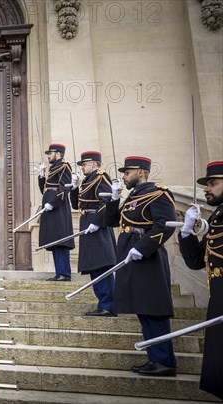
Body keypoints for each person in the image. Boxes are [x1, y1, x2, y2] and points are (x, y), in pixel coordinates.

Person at [103, 156, 177, 377]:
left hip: (147, 259)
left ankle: (164, 361)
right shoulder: (133, 197)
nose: (124, 176)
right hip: (131, 258)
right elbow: (111, 222)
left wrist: (143, 248)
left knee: (153, 310)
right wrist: (114, 200)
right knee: (143, 311)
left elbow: (165, 225)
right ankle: (155, 358)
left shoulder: (158, 193)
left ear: (141, 172)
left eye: (128, 172)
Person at [178, 161, 223, 400]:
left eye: (214, 184)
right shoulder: (217, 218)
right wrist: (186, 232)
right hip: (218, 300)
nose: (207, 189)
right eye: (207, 185)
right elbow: (197, 261)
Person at [70, 151, 117, 316]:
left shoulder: (101, 177)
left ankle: (108, 305)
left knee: (102, 265)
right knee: (94, 266)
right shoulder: (86, 181)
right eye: (82, 164)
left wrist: (96, 222)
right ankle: (103, 303)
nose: (82, 167)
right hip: (87, 223)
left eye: (85, 164)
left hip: (98, 225)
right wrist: (75, 188)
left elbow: (107, 202)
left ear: (95, 164)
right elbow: (76, 205)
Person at [38, 143, 74, 281]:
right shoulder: (54, 167)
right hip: (50, 207)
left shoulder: (64, 166)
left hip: (58, 208)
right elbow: (45, 190)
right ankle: (60, 272)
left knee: (60, 241)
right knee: (54, 241)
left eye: (50, 153)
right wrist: (41, 176)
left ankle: (64, 273)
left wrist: (53, 203)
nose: (48, 155)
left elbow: (64, 188)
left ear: (58, 153)